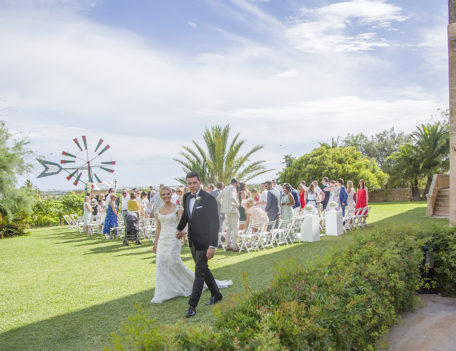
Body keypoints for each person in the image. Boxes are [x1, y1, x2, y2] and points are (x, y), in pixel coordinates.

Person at [151, 185, 232, 305]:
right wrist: (155, 243)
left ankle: (192, 290)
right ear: (160, 196)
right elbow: (158, 228)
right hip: (163, 239)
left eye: (168, 194)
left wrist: (183, 232)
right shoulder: (159, 210)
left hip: (174, 239)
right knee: (161, 263)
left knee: (174, 262)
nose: (166, 196)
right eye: (163, 194)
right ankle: (164, 291)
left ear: (171, 194)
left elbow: (185, 222)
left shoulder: (178, 208)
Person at [176, 171, 231, 318]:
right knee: (204, 269)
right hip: (193, 240)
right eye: (189, 183)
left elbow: (215, 223)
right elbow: (187, 216)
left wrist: (212, 246)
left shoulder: (209, 199)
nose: (192, 185)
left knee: (199, 272)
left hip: (205, 243)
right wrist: (179, 229)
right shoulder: (186, 197)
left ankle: (192, 305)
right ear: (187, 184)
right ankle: (217, 294)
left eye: (195, 182)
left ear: (200, 182)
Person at [219, 179, 240, 252]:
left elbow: (218, 197)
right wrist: (237, 204)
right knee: (235, 228)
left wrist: (223, 204)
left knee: (229, 229)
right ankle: (233, 246)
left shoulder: (225, 188)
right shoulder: (232, 188)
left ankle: (228, 245)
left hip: (226, 211)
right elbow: (232, 197)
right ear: (235, 183)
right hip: (233, 210)